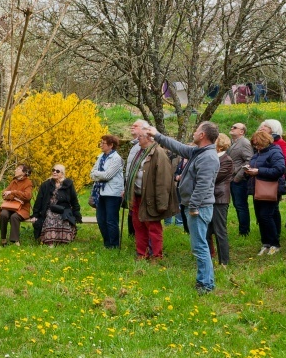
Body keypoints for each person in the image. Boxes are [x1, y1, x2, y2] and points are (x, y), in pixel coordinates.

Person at [150, 122, 221, 292]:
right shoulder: (198, 152)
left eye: (196, 130)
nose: (194, 133)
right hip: (195, 206)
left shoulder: (208, 157)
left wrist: (194, 206)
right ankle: (205, 281)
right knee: (199, 245)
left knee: (200, 247)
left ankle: (206, 284)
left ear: (203, 135)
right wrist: (157, 135)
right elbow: (178, 146)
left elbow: (203, 185)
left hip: (199, 208)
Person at [122, 121, 179, 259]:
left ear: (149, 137)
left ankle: (156, 255)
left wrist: (161, 202)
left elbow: (164, 181)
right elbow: (132, 174)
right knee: (138, 225)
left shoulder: (159, 153)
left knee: (153, 227)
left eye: (140, 137)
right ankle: (141, 253)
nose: (137, 140)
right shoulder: (139, 152)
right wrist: (127, 189)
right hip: (137, 196)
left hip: (150, 197)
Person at [246, 129, 286, 255]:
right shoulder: (257, 153)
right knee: (261, 216)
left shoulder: (275, 152)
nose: (257, 147)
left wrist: (258, 171)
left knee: (266, 216)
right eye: (255, 144)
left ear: (265, 142)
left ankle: (274, 243)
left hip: (270, 188)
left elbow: (279, 169)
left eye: (259, 144)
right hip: (257, 188)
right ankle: (266, 243)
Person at [90, 135, 125, 249]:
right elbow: (91, 173)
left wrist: (98, 174)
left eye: (103, 143)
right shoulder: (100, 157)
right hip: (100, 192)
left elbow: (108, 175)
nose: (101, 145)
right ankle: (107, 243)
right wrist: (99, 174)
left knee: (111, 220)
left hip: (112, 193)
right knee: (101, 219)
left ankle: (114, 244)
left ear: (111, 145)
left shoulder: (116, 159)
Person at [32, 164, 81, 245]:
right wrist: (35, 214)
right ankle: (50, 242)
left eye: (57, 171)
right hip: (49, 208)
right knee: (51, 217)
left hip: (64, 208)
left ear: (62, 173)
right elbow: (39, 200)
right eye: (53, 170)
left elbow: (74, 199)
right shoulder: (46, 184)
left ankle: (63, 241)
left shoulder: (68, 184)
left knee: (64, 218)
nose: (54, 172)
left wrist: (76, 212)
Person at [227, 122, 254, 236]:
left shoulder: (244, 143)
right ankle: (243, 230)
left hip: (239, 180)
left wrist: (238, 177)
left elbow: (249, 160)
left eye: (235, 127)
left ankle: (244, 232)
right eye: (231, 126)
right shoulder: (233, 142)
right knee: (237, 206)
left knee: (240, 205)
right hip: (231, 180)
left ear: (241, 131)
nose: (231, 128)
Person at [211, 133, 233, 266]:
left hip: (220, 198)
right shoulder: (213, 158)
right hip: (209, 198)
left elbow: (215, 177)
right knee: (207, 230)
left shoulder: (226, 160)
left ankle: (224, 261)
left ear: (219, 145)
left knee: (220, 230)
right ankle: (208, 257)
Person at [0, 164, 34, 245]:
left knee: (14, 217)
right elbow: (4, 194)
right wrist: (14, 197)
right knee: (3, 215)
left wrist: (13, 192)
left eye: (18, 169)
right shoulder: (13, 181)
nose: (15, 170)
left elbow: (27, 196)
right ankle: (3, 239)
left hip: (22, 208)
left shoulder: (28, 182)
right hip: (10, 206)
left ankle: (15, 240)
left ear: (24, 172)